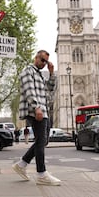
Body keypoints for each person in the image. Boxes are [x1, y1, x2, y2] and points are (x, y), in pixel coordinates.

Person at [12, 50, 61, 186]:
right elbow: (29, 90)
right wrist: (36, 107)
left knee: (43, 141)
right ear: (36, 58)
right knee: (41, 141)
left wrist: (51, 73)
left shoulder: (40, 74)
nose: (44, 63)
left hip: (43, 110)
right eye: (42, 60)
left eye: (46, 61)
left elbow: (49, 89)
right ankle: (41, 174)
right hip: (37, 110)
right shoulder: (28, 70)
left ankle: (21, 164)